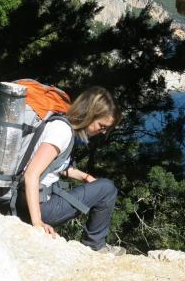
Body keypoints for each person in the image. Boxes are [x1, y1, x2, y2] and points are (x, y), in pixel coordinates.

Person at [17, 86, 124, 254]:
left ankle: (94, 244)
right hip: (39, 206)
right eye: (102, 126)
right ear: (89, 114)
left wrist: (85, 177)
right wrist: (37, 223)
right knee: (107, 189)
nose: (103, 132)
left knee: (100, 186)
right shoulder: (62, 131)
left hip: (31, 200)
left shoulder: (62, 125)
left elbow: (57, 166)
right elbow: (32, 174)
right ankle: (95, 245)